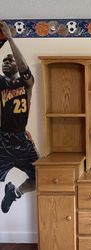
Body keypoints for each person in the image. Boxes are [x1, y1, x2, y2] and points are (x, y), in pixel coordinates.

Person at [0, 21, 38, 213]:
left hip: (22, 140)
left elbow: (24, 69)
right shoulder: (0, 84)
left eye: (10, 59)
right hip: (2, 140)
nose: (7, 62)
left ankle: (15, 193)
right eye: (4, 60)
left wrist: (10, 39)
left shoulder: (26, 84)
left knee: (41, 178)